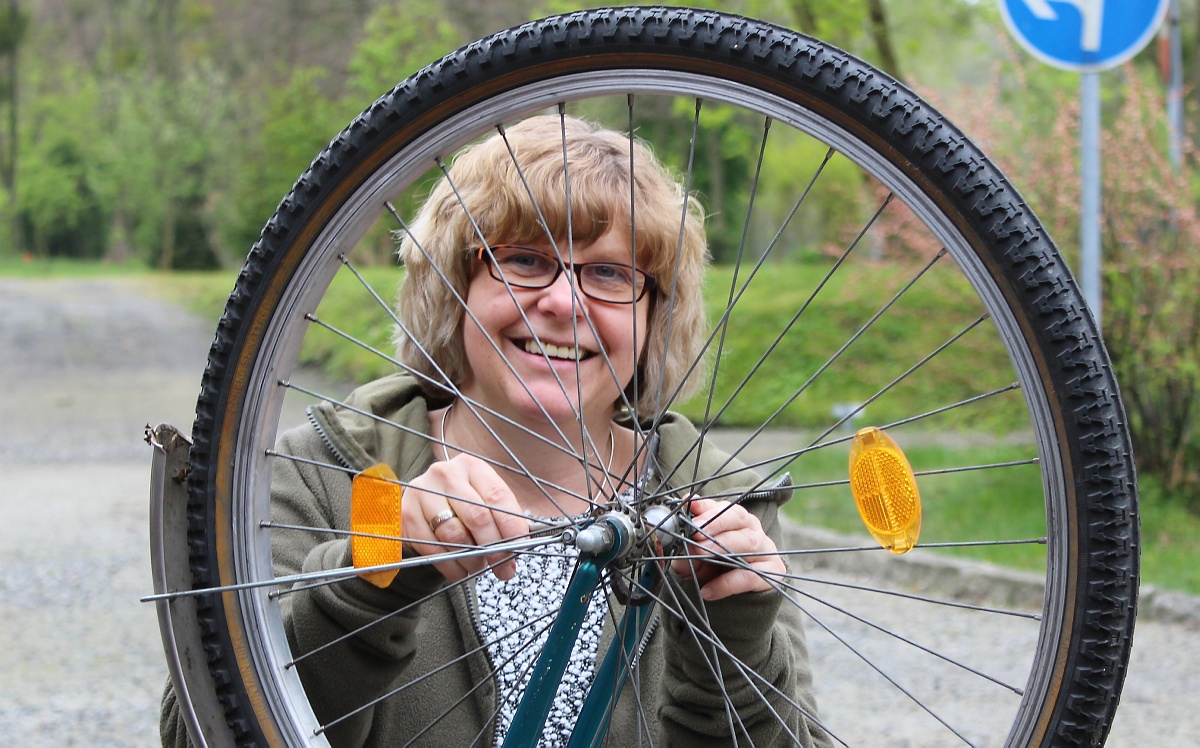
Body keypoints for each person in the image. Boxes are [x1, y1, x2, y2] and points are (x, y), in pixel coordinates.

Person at [161, 115, 829, 746]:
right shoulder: (325, 474)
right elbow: (199, 728)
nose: (564, 303)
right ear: (454, 286)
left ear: (657, 314)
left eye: (608, 273)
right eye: (523, 261)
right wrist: (372, 571)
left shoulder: (722, 504)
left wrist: (735, 638)